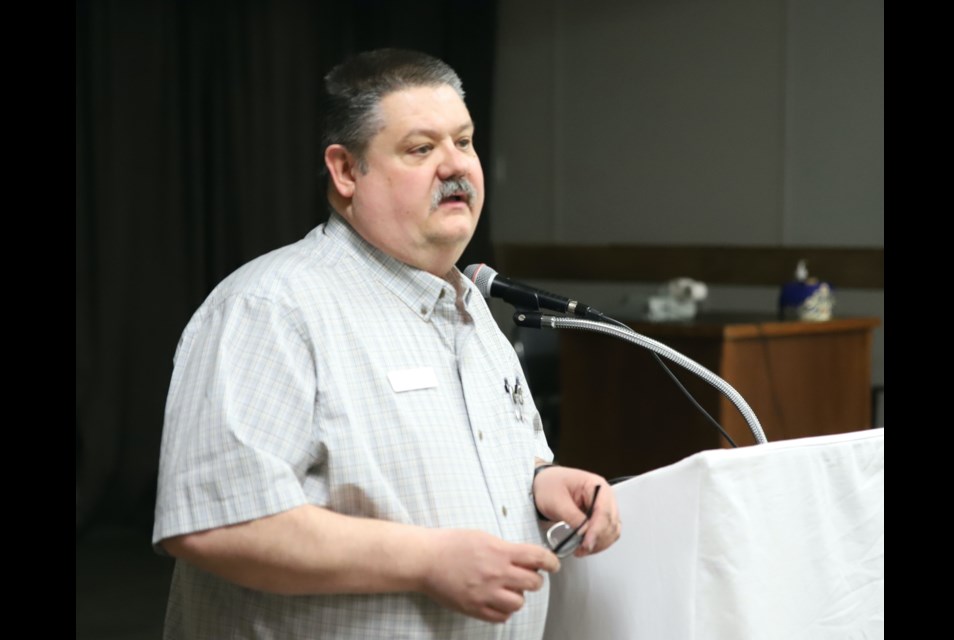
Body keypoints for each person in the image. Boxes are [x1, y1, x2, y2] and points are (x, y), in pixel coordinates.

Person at [152, 48, 621, 639]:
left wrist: (542, 485)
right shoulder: (270, 307)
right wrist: (428, 562)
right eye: (421, 149)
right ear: (347, 171)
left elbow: (476, 458)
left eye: (465, 141)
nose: (455, 167)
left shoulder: (468, 303)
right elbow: (216, 524)